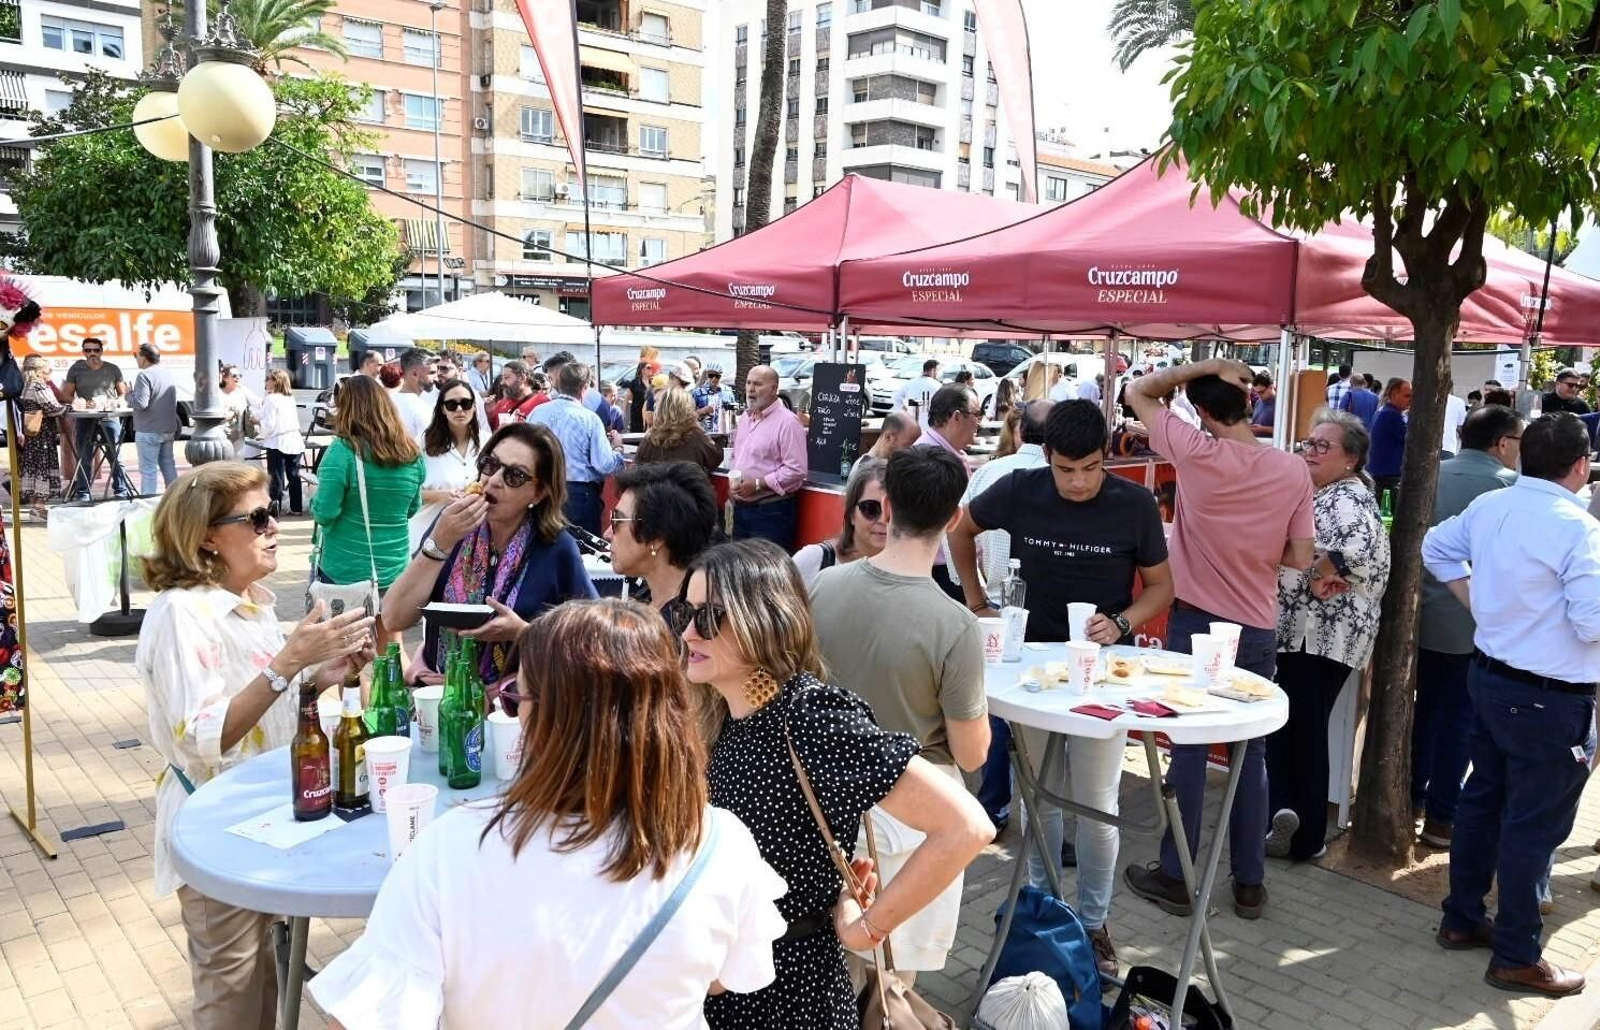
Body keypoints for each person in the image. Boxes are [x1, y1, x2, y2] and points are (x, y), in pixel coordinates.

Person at [310, 600, 785, 1028]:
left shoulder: (451, 849)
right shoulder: (721, 843)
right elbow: (726, 975)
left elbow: (368, 1019)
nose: (513, 715)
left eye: (517, 698)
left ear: (552, 718)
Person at [676, 540, 994, 1027]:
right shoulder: (721, 714)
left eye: (711, 616)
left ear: (765, 621)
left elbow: (966, 827)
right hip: (724, 985)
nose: (689, 632)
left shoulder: (809, 715)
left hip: (791, 995)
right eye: (687, 611)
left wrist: (869, 928)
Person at [137, 462, 375, 1029]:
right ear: (206, 537)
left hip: (262, 819)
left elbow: (276, 702)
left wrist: (326, 674)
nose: (275, 527)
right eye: (259, 518)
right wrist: (289, 661)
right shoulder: (181, 614)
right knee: (233, 1000)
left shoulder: (251, 602)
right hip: (214, 829)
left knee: (263, 983)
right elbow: (205, 738)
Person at [951, 400, 1174, 972]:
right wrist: (978, 603)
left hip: (1104, 672)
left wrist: (1122, 622)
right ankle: (1047, 912)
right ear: (1045, 455)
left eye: (1092, 468)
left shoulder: (1134, 503)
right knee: (1039, 799)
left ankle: (1095, 924)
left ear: (1108, 460)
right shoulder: (1021, 488)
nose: (1078, 482)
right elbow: (961, 528)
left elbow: (1161, 589)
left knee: (1098, 806)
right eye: (1066, 469)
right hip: (1032, 669)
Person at [1122, 358, 1315, 920]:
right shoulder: (1291, 469)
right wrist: (1258, 554)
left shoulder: (1196, 451)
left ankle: (1178, 873)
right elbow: (1301, 558)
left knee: (1187, 747)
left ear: (1201, 411)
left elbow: (1138, 390)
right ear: (1251, 407)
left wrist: (1206, 365)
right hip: (1255, 624)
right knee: (1249, 754)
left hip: (1196, 621)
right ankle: (1248, 881)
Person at [1423, 412, 1600, 998]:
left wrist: (1481, 603)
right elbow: (1591, 621)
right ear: (1581, 465)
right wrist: (1482, 604)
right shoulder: (1578, 528)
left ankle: (1463, 916)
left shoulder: (1496, 506)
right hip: (1547, 696)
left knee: (1483, 801)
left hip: (1495, 678)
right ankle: (1516, 953)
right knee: (1532, 825)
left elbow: (1436, 546)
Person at [809, 446, 990, 986]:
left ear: (886, 508)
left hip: (824, 797)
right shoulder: (955, 626)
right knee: (891, 985)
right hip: (913, 815)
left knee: (833, 975)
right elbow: (971, 753)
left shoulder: (824, 585)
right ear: (954, 518)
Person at [1264, 411, 1391, 862]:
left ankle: (1305, 834)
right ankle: (1285, 819)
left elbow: (1361, 552)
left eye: (1323, 446)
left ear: (1351, 459)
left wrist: (1319, 570)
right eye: (1308, 443)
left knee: (1301, 730)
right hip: (1308, 635)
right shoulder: (1325, 493)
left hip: (1320, 637)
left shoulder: (1347, 498)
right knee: (1294, 729)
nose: (1310, 452)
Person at [385, 422, 597, 688]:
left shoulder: (556, 548)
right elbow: (394, 617)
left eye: (515, 476)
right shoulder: (452, 527)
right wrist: (439, 542)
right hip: (442, 697)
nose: (494, 480)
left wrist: (524, 632)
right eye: (490, 464)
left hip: (515, 709)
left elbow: (594, 638)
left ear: (539, 492)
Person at [1413, 404, 1522, 851]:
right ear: (1502, 443)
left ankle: (1411, 800)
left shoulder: (1431, 473)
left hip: (1420, 619)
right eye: (1518, 441)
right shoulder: (1509, 489)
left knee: (1421, 715)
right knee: (1459, 722)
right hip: (1472, 626)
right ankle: (1441, 817)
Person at [309, 375, 426, 622]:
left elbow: (325, 512)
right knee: (391, 646)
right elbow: (411, 508)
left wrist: (313, 498)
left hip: (346, 568)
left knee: (347, 653)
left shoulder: (342, 452)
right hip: (395, 566)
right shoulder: (412, 454)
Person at [952, 399, 1051, 611]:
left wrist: (974, 598)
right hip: (1032, 607)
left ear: (1021, 431)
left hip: (993, 601)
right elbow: (956, 528)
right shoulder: (1059, 478)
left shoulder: (989, 472)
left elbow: (953, 529)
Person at [607, 461, 719, 613]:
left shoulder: (687, 629)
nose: (607, 534)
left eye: (617, 521)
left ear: (656, 537)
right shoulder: (653, 604)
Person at [529, 360, 625, 534]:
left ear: (558, 383)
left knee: (544, 547)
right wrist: (618, 449)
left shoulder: (537, 412)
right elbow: (604, 464)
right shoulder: (589, 419)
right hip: (577, 495)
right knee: (582, 555)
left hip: (543, 489)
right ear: (585, 387)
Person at [728, 365, 807, 550]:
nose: (751, 389)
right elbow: (736, 455)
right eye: (748, 383)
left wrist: (757, 484)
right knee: (740, 571)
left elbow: (796, 470)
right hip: (740, 509)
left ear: (774, 389)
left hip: (771, 512)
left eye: (758, 384)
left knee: (767, 573)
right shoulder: (746, 418)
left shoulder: (788, 422)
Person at [914, 384, 980, 601]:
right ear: (957, 417)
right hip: (936, 571)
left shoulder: (947, 453)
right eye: (976, 415)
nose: (980, 422)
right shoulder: (927, 458)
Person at [409, 378, 482, 552]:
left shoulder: (487, 442)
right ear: (442, 409)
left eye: (465, 403)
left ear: (474, 406)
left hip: (472, 543)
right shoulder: (422, 444)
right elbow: (403, 493)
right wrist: (439, 496)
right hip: (425, 539)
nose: (459, 409)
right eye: (451, 404)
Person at [792, 458, 888, 588]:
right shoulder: (813, 561)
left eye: (892, 511)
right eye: (871, 508)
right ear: (851, 514)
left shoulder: (911, 575)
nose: (883, 520)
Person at [62, 336, 132, 501]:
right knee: (84, 456)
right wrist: (80, 403)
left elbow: (123, 393)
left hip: (109, 416)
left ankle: (121, 491)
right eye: (88, 350)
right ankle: (84, 493)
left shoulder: (112, 369)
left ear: (101, 351)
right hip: (85, 418)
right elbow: (67, 394)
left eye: (95, 350)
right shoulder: (76, 369)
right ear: (83, 352)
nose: (92, 353)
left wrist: (116, 401)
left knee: (115, 454)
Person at [129, 342, 180, 496]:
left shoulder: (144, 375)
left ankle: (147, 504)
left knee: (148, 470)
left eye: (136, 356)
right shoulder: (167, 373)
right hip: (168, 428)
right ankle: (176, 500)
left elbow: (141, 403)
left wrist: (128, 394)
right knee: (169, 466)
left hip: (148, 429)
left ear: (144, 358)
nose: (136, 359)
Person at [635, 386, 724, 474]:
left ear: (660, 409)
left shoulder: (650, 438)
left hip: (655, 487)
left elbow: (638, 466)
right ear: (687, 409)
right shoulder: (696, 435)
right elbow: (716, 457)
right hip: (688, 487)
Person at [18, 357, 65, 517]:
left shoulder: (26, 385)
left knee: (34, 466)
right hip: (42, 433)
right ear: (38, 371)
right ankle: (39, 507)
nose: (48, 372)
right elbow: (52, 408)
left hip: (33, 434)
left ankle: (34, 506)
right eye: (46, 369)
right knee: (43, 467)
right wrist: (69, 409)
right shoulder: (38, 386)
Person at [257, 369, 305, 517]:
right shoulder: (289, 398)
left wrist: (259, 428)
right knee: (294, 474)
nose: (265, 382)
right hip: (294, 439)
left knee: (276, 476)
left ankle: (274, 509)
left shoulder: (271, 399)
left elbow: (270, 424)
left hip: (277, 441)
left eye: (268, 379)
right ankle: (296, 507)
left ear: (274, 381)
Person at [1368, 377, 1411, 502]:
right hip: (1388, 477)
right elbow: (1412, 441)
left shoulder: (1384, 412)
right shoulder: (1391, 415)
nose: (1410, 400)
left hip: (1381, 474)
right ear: (1394, 394)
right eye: (1407, 396)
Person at [391, 347, 437, 444]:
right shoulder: (421, 408)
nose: (436, 378)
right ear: (414, 374)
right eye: (432, 373)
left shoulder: (387, 401)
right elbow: (429, 446)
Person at [857, 411, 915, 477]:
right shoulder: (868, 474)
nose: (912, 452)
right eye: (908, 445)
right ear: (888, 437)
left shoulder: (884, 466)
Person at [218, 365, 259, 456]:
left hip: (239, 437)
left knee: (238, 464)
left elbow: (258, 402)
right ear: (225, 378)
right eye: (234, 375)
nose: (237, 378)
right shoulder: (219, 393)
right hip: (222, 437)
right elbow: (217, 415)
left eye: (239, 375)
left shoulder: (242, 390)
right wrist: (231, 414)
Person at [620, 345, 662, 433]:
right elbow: (627, 398)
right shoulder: (635, 382)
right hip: (637, 414)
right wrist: (623, 412)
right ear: (642, 369)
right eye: (648, 368)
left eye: (651, 368)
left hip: (650, 415)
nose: (650, 370)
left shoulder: (655, 381)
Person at [488, 360, 541, 428]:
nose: (501, 383)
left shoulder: (542, 404)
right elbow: (489, 432)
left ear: (522, 378)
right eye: (502, 378)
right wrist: (489, 413)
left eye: (507, 377)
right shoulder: (501, 404)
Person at [893, 358, 943, 426]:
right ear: (933, 370)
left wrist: (904, 409)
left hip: (911, 424)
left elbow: (896, 398)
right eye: (938, 371)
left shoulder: (910, 383)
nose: (939, 374)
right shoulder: (937, 386)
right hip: (928, 425)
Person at [692, 365, 733, 432]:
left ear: (721, 376)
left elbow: (734, 412)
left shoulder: (728, 391)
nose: (714, 379)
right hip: (704, 434)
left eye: (717, 376)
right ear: (707, 375)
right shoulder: (697, 393)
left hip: (724, 434)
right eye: (711, 376)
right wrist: (702, 411)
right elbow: (688, 416)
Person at [1249, 371, 1276, 438]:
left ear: (1271, 387)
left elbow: (1285, 431)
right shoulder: (1258, 402)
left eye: (1261, 392)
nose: (1259, 395)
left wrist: (1263, 429)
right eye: (1256, 392)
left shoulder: (1279, 406)